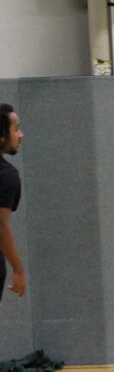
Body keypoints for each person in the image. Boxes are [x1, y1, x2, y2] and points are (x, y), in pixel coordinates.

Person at [0, 104, 26, 303]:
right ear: (2, 136)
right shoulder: (7, 176)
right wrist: (18, 268)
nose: (21, 134)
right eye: (16, 129)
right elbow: (0, 225)